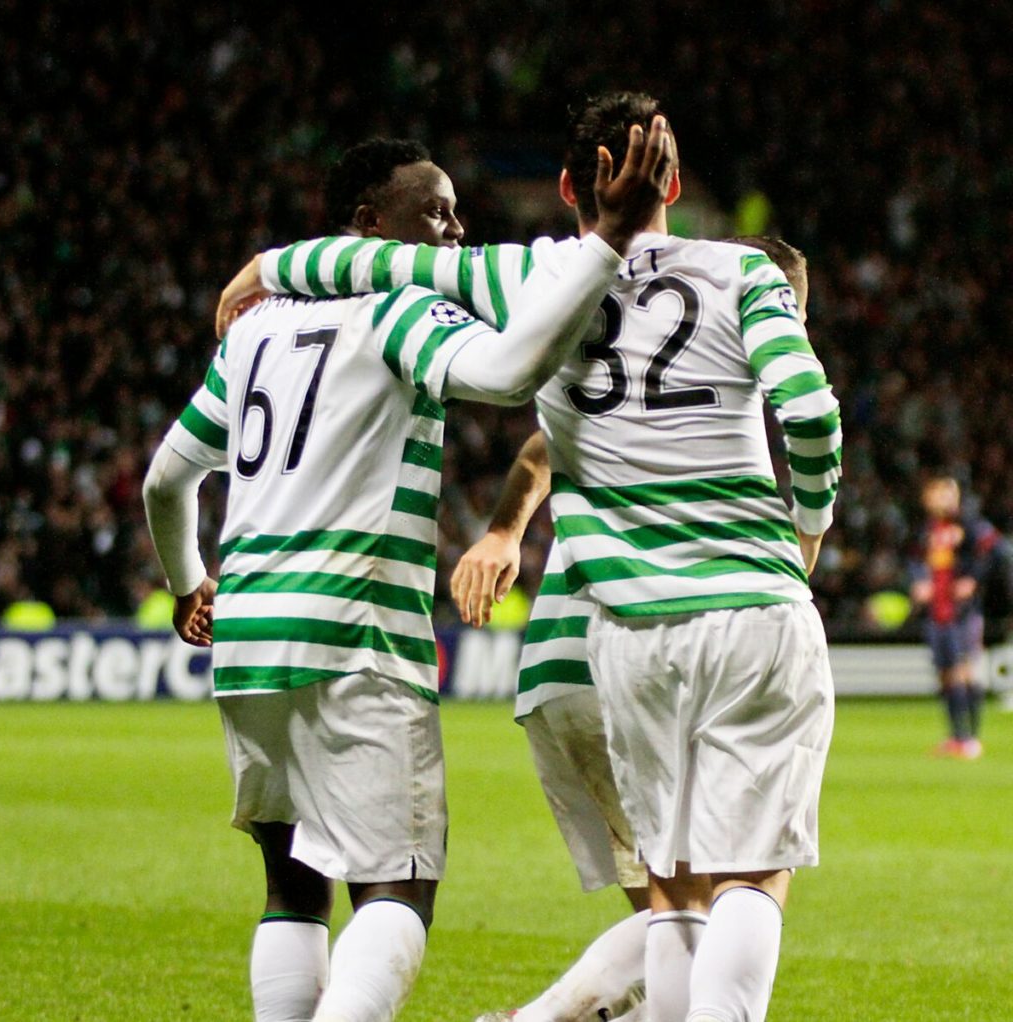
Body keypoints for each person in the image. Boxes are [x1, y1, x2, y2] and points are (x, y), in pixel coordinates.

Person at [216, 91, 841, 1022]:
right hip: (751, 609)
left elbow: (377, 260)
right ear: (674, 184)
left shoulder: (523, 275)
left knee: (673, 892)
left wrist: (268, 264)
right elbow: (812, 413)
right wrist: (808, 528)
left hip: (627, 637)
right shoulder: (742, 271)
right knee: (752, 877)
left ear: (566, 187)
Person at [143, 122, 673, 1022]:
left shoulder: (254, 329)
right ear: (370, 223)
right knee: (397, 889)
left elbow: (167, 479)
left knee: (291, 883)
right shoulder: (400, 310)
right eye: (435, 214)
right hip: (357, 635)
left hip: (247, 638)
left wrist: (190, 581)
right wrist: (603, 255)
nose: (455, 232)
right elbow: (509, 375)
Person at [446, 236, 812, 1022]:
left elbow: (540, 448)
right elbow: (814, 420)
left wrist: (504, 531)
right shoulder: (719, 395)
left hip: (560, 673)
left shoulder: (620, 381)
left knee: (676, 903)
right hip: (636, 648)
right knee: (719, 891)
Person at [909, 475, 999, 759]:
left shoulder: (969, 525)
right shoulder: (926, 531)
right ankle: (956, 737)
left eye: (947, 493)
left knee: (964, 671)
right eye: (937, 493)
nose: (942, 499)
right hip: (937, 613)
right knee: (946, 675)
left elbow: (995, 552)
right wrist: (919, 581)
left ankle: (970, 739)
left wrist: (973, 579)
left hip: (962, 612)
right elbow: (914, 560)